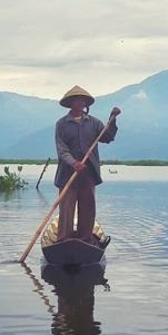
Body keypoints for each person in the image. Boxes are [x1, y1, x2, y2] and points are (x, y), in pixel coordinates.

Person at [53, 86, 120, 244]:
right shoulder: (61, 124)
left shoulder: (94, 122)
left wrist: (112, 119)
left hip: (88, 174)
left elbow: (107, 137)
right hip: (67, 175)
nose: (80, 103)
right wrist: (74, 163)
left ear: (85, 104)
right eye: (76, 100)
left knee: (88, 208)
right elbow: (62, 149)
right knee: (67, 210)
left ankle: (85, 239)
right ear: (70, 103)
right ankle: (64, 240)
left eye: (82, 100)